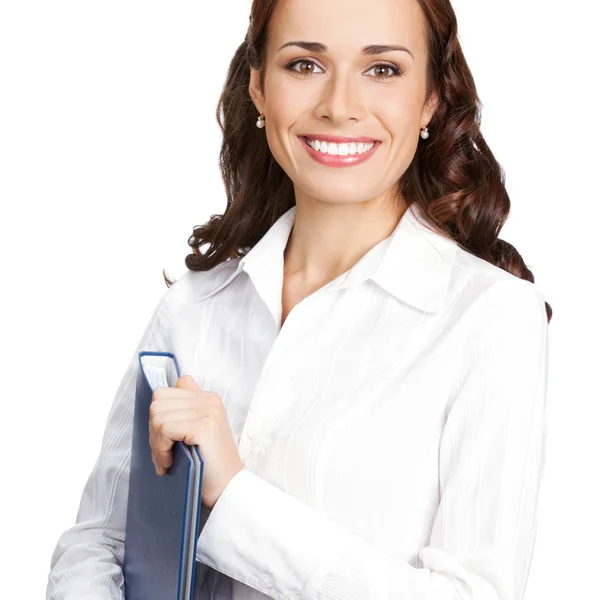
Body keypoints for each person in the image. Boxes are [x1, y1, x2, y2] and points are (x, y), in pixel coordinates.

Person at [46, 0, 552, 599]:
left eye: (383, 69)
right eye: (304, 66)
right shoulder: (193, 309)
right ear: (258, 87)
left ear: (431, 100)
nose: (339, 105)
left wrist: (233, 496)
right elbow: (98, 542)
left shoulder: (489, 316)